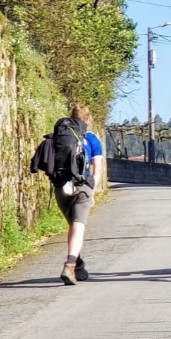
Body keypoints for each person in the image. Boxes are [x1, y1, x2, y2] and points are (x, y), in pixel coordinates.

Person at [55, 104, 105, 285]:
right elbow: (97, 170)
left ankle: (79, 266)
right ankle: (70, 265)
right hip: (82, 186)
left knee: (72, 227)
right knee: (78, 228)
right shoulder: (91, 139)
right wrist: (92, 192)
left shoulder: (60, 136)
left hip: (61, 186)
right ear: (88, 119)